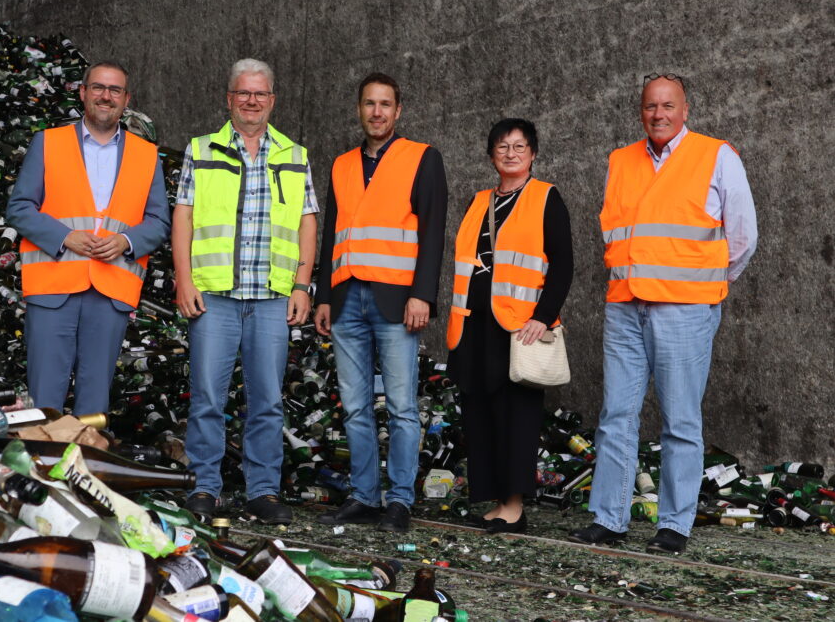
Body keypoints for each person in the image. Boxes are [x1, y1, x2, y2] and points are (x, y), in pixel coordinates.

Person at [569, 74, 757, 553]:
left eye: (668, 105)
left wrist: (709, 284)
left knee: (679, 420)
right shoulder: (620, 160)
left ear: (685, 109)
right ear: (641, 111)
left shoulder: (717, 156)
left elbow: (742, 237)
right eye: (651, 106)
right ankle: (608, 519)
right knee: (616, 415)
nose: (659, 114)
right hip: (626, 305)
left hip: (685, 310)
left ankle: (674, 524)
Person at [174, 58, 318, 525]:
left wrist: (301, 284)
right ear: (229, 98)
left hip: (272, 296)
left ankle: (261, 491)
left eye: (260, 94)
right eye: (243, 94)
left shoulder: (295, 155)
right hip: (214, 295)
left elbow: (307, 223)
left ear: (272, 100)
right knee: (208, 397)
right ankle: (204, 486)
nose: (251, 101)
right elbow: (184, 218)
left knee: (267, 400)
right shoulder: (201, 149)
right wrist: (183, 279)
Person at [314, 73, 447, 533]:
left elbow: (433, 233)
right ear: (359, 109)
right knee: (354, 405)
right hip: (348, 297)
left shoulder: (422, 159)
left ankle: (400, 500)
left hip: (397, 299)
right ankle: (365, 496)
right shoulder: (343, 165)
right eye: (369, 103)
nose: (377, 112)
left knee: (402, 406)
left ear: (398, 111)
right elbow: (333, 234)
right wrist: (325, 297)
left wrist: (423, 294)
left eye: (385, 104)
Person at [6, 61, 170, 415]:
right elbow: (19, 208)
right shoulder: (47, 142)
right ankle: (41, 468)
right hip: (53, 286)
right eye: (98, 87)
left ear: (127, 99)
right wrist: (65, 237)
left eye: (114, 90)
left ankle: (86, 468)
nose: (105, 96)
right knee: (44, 401)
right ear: (82, 92)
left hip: (111, 291)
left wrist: (126, 242)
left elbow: (159, 221)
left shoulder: (147, 154)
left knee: (94, 405)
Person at [445, 118, 573, 534]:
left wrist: (542, 316)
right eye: (502, 147)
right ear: (491, 156)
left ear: (533, 154)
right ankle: (498, 500)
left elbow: (563, 266)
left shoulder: (545, 198)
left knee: (514, 414)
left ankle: (515, 506)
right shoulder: (478, 201)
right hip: (474, 323)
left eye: (519, 147)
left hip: (518, 326)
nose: (511, 153)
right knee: (480, 411)